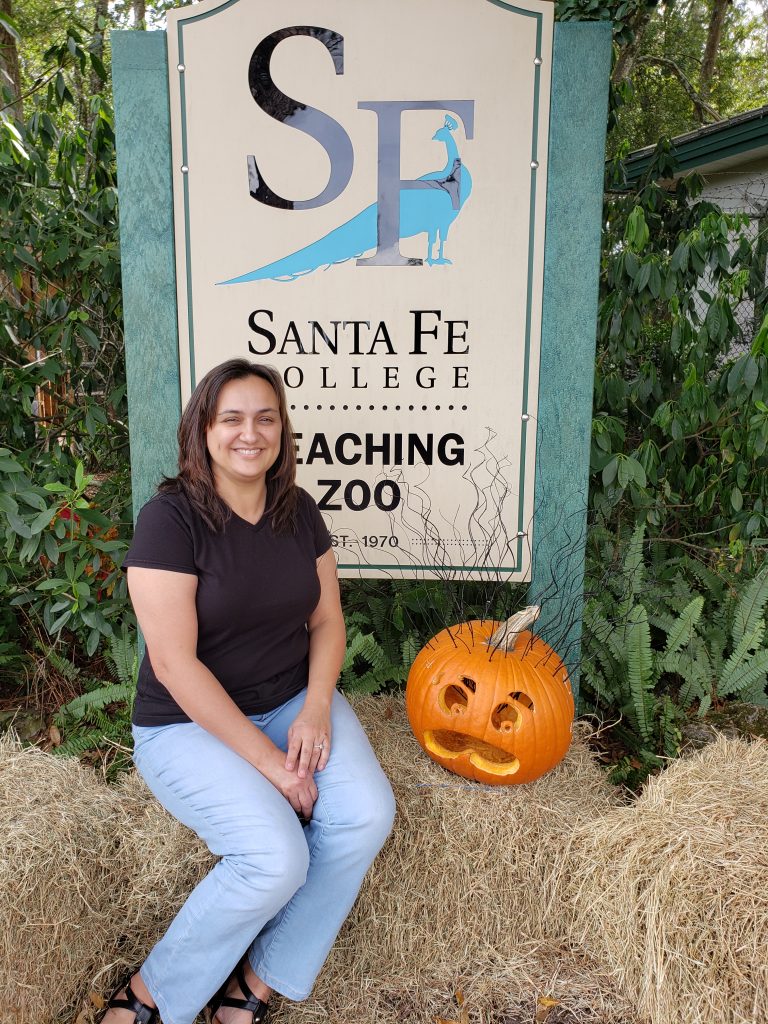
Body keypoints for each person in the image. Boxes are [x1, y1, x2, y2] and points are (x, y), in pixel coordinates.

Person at [104, 359, 396, 1024]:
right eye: (231, 417)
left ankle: (257, 983)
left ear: (282, 430)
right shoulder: (168, 521)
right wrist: (271, 767)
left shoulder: (299, 513)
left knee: (365, 815)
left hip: (292, 700)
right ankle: (153, 996)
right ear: (202, 430)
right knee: (275, 857)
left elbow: (326, 621)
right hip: (186, 725)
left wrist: (317, 708)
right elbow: (175, 667)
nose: (250, 432)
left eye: (266, 417)